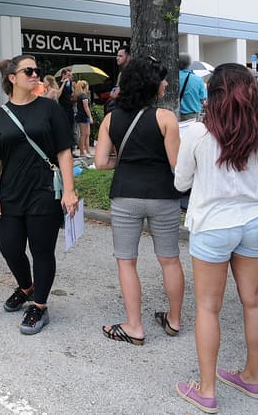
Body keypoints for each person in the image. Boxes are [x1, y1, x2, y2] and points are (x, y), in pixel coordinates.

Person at [173, 64, 258, 413]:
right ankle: (252, 378)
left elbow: (181, 183)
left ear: (212, 95)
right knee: (255, 303)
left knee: (208, 307)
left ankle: (207, 390)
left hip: (212, 224)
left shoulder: (198, 133)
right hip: (257, 224)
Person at [0, 54, 77, 335]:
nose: (35, 74)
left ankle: (40, 305)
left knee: (41, 251)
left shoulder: (49, 108)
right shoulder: (0, 115)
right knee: (9, 247)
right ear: (12, 78)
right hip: (9, 192)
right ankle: (26, 287)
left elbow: (63, 151)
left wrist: (69, 191)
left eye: (37, 71)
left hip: (44, 191)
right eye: (29, 71)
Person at [94, 56, 184, 346]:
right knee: (170, 260)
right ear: (151, 84)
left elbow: (100, 162)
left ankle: (134, 326)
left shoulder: (110, 119)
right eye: (162, 78)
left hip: (125, 194)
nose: (166, 83)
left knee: (126, 262)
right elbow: (176, 164)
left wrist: (126, 159)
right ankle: (173, 320)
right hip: (162, 194)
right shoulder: (166, 118)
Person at [178, 53, 208, 121]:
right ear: (189, 64)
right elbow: (203, 100)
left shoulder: (173, 78)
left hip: (175, 115)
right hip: (192, 116)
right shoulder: (198, 79)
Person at [75, 80, 94, 157]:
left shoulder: (81, 95)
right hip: (83, 117)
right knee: (83, 135)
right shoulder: (83, 96)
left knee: (87, 134)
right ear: (85, 86)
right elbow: (86, 108)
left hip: (83, 117)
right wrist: (90, 117)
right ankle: (82, 152)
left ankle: (87, 151)